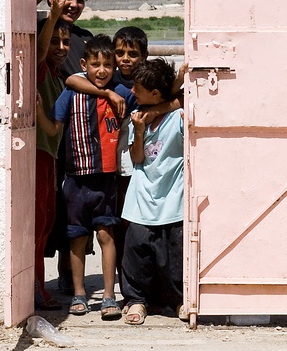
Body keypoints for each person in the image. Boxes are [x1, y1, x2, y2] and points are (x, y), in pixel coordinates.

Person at [37, 35, 132, 320]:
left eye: (107, 65)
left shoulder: (122, 93)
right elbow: (54, 129)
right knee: (77, 239)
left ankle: (108, 297)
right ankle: (79, 295)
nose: (101, 70)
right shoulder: (72, 94)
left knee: (106, 234)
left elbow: (146, 105)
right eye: (95, 64)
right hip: (76, 180)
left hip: (106, 179)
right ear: (84, 65)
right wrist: (39, 111)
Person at [36, 0, 94, 293]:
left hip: (74, 140)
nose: (73, 4)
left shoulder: (82, 38)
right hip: (49, 138)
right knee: (46, 211)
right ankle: (39, 283)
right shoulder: (41, 31)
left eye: (79, 0)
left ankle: (69, 279)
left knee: (71, 207)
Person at [120, 58, 185, 326]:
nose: (132, 92)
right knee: (136, 251)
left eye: (138, 87)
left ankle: (181, 300)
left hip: (172, 198)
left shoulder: (178, 119)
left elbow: (187, 99)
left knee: (175, 255)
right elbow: (137, 159)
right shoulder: (139, 117)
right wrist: (139, 129)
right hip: (140, 198)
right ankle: (136, 301)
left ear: (156, 94)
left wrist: (179, 83)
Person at [31, 0, 70, 311]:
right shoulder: (42, 69)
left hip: (51, 156)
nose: (59, 47)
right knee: (37, 224)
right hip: (40, 156)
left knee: (45, 223)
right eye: (55, 40)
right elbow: (39, 53)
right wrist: (53, 12)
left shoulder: (58, 78)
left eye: (65, 42)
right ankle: (35, 289)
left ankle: (37, 286)